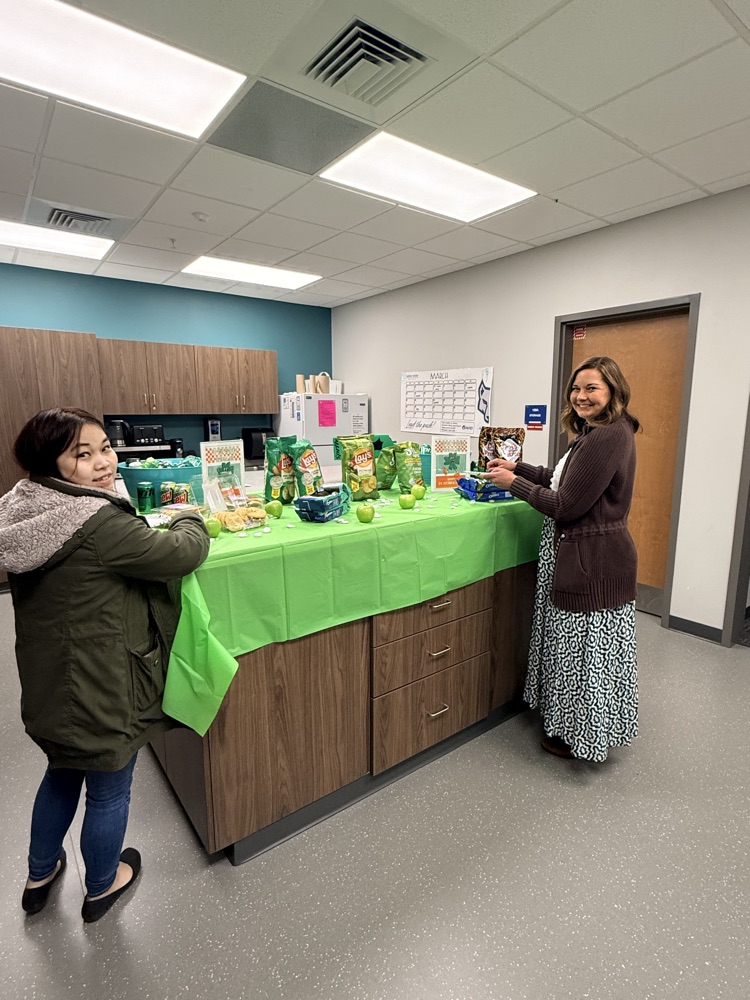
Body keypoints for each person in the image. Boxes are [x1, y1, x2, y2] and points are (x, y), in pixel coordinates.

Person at [0, 408, 209, 921]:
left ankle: (39, 874)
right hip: (103, 681)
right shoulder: (97, 523)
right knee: (111, 785)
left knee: (62, 771)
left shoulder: (24, 507)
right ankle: (101, 885)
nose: (102, 463)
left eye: (105, 448)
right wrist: (189, 516)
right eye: (82, 453)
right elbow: (179, 554)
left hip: (52, 680)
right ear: (52, 464)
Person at [486, 357, 640, 762]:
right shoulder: (598, 432)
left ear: (613, 392)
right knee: (584, 652)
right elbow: (562, 477)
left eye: (593, 388)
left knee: (583, 655)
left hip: (593, 562)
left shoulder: (607, 436)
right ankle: (580, 726)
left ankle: (580, 737)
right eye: (577, 388)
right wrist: (518, 467)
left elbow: (567, 504)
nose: (581, 396)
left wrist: (513, 484)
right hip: (593, 558)